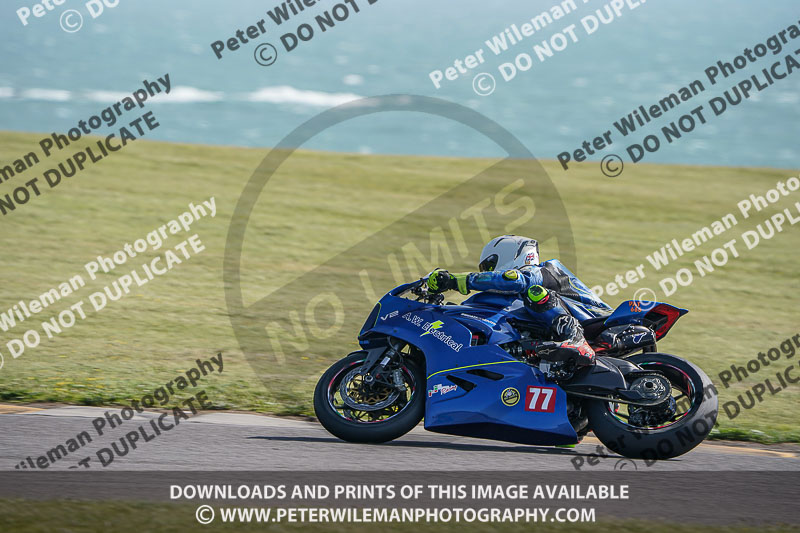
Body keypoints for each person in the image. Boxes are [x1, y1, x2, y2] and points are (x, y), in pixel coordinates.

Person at [426, 235, 612, 369]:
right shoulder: (518, 296)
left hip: (597, 321)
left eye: (489, 268)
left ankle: (575, 338)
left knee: (535, 294)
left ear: (509, 256)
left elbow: (515, 280)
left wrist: (458, 280)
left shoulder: (543, 270)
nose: (488, 274)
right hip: (580, 332)